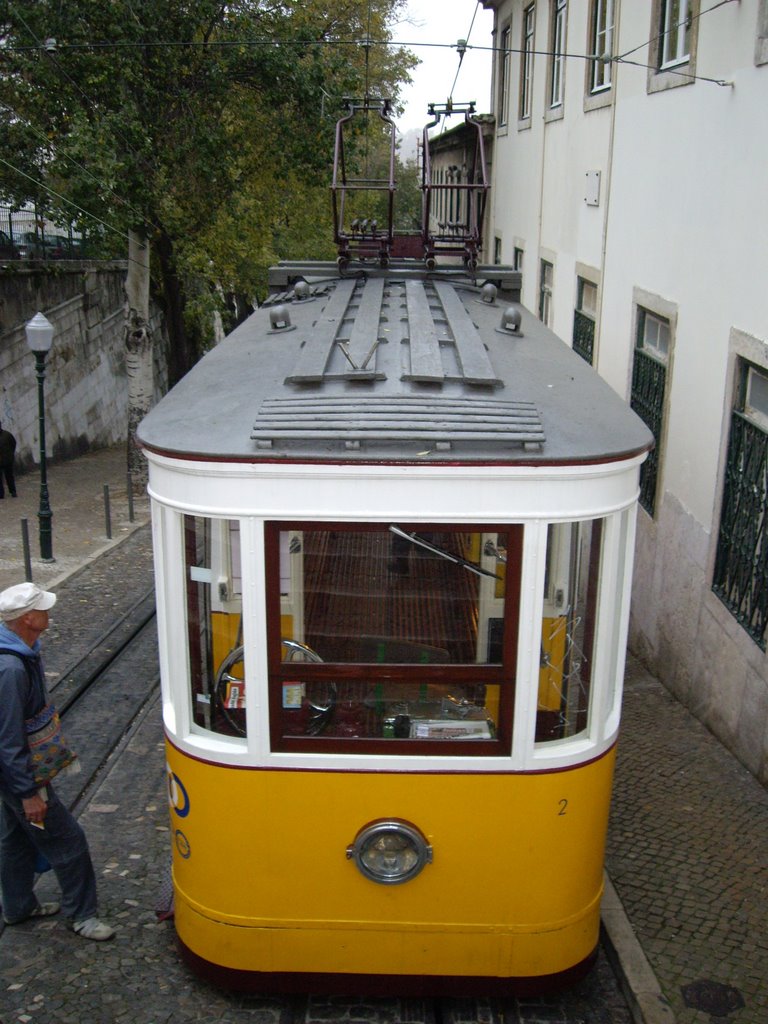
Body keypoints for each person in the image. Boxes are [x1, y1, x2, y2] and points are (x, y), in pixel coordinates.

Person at [0, 582, 115, 941]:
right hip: (18, 774)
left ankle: (18, 907)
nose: (49, 613)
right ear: (28, 619)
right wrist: (28, 792)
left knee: (15, 839)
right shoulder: (12, 670)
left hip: (12, 773)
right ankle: (83, 916)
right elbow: (9, 739)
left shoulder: (21, 651)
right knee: (69, 841)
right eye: (43, 609)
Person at [0, 421, 17, 498]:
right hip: (4, 459)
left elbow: (13, 444)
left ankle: (13, 491)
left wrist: (10, 454)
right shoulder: (7, 435)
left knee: (9, 476)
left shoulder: (7, 435)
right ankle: (1, 494)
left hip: (7, 459)